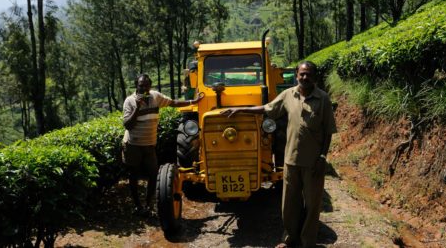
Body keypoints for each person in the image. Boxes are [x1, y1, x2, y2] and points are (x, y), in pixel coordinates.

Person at [221, 61, 337, 247]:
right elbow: (267, 108)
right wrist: (240, 110)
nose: (305, 77)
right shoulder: (287, 95)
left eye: (308, 74)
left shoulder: (323, 99)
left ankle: (308, 241)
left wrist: (323, 157)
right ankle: (290, 238)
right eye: (302, 74)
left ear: (314, 77)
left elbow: (328, 131)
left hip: (313, 162)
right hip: (290, 160)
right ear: (297, 75)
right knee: (289, 204)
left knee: (312, 204)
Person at [123, 73, 203, 216]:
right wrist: (137, 107)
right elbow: (127, 125)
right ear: (136, 86)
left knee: (154, 175)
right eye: (141, 86)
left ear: (150, 86)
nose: (144, 89)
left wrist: (193, 101)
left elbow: (173, 103)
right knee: (133, 175)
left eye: (147, 86)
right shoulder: (129, 101)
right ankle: (137, 206)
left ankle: (148, 205)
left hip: (149, 145)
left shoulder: (155, 97)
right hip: (133, 145)